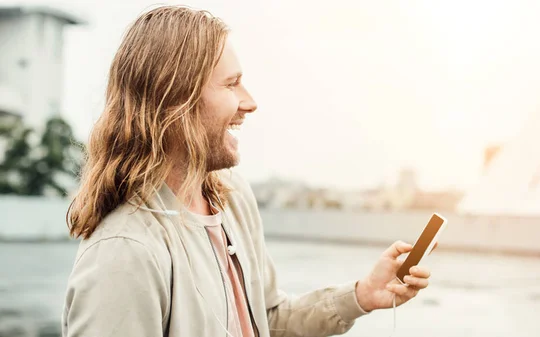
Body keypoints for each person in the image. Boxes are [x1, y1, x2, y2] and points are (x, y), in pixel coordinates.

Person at [62, 5, 434, 337]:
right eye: (231, 84)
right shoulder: (124, 253)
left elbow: (266, 318)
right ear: (175, 100)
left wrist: (361, 295)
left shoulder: (232, 197)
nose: (250, 102)